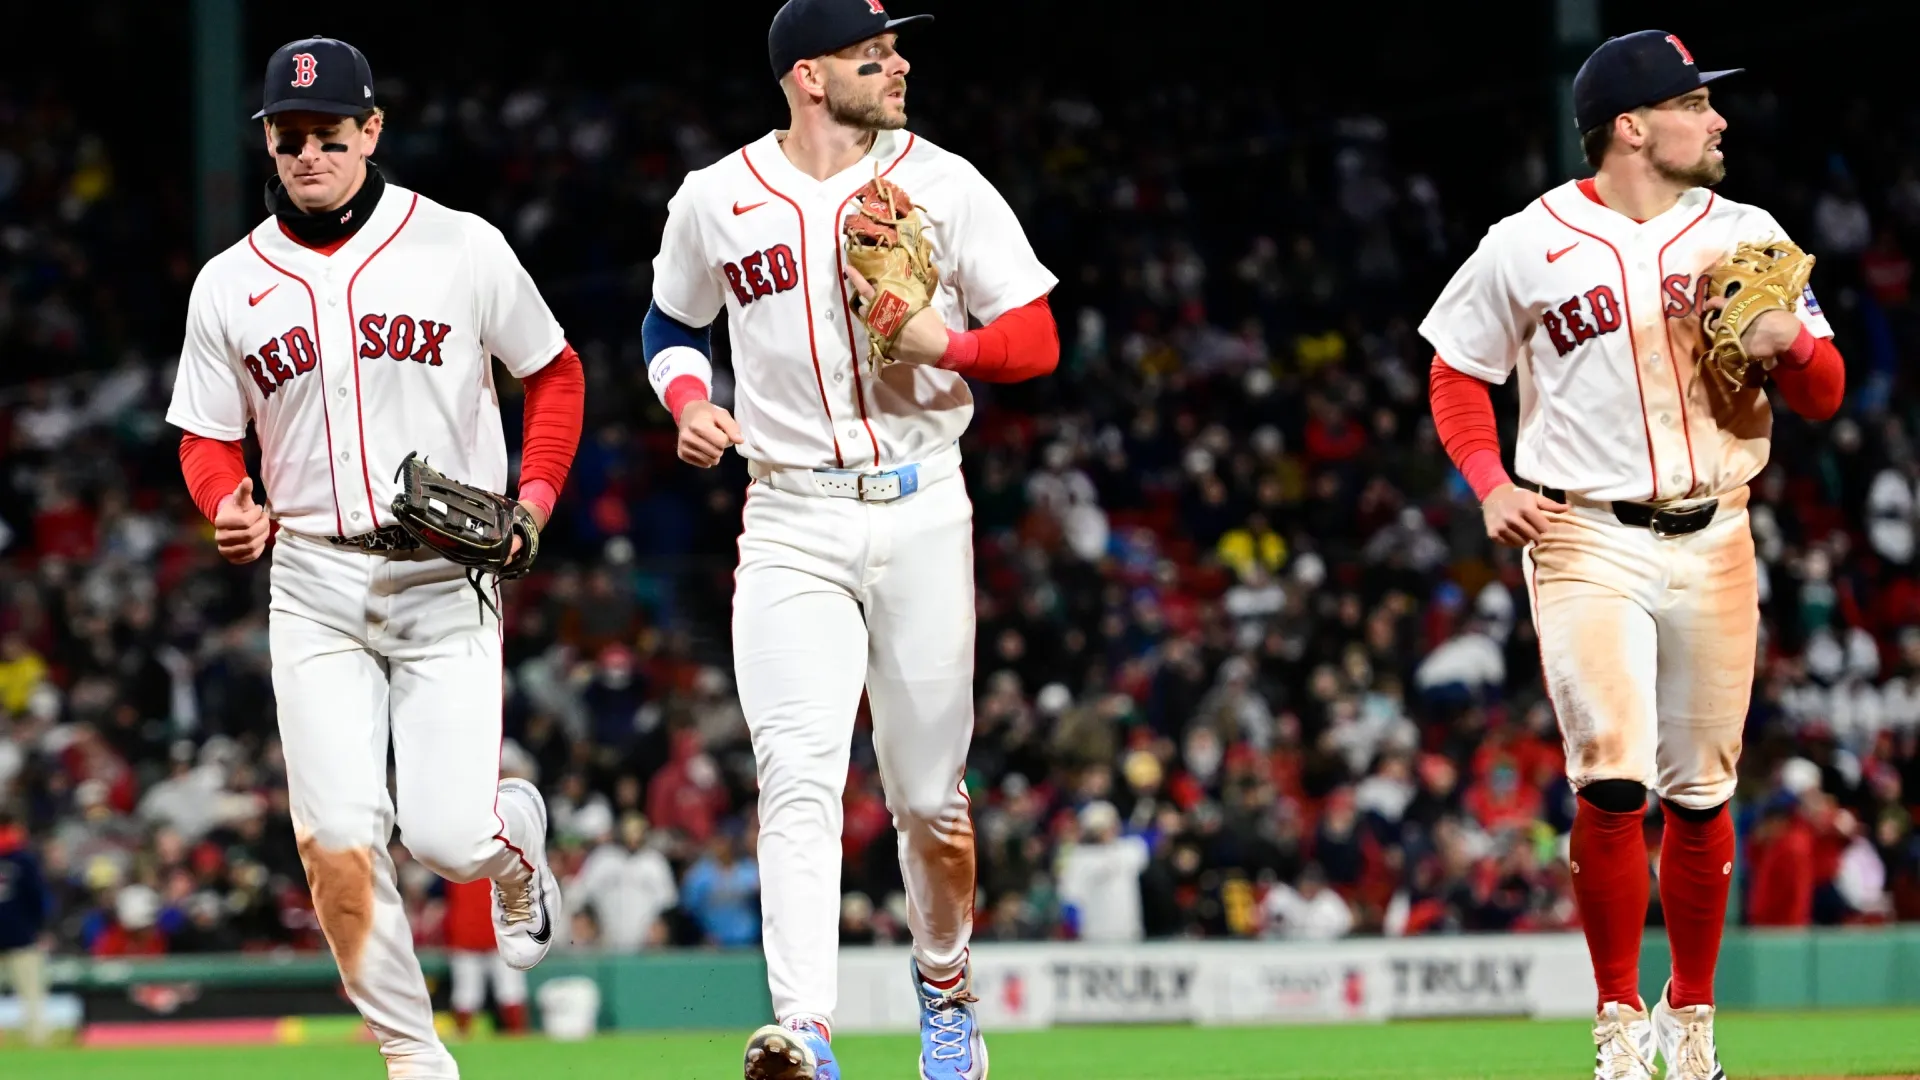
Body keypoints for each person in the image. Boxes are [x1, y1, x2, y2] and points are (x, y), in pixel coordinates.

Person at [642, 0, 1060, 1073]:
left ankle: (946, 990)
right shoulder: (716, 198)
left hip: (923, 504)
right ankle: (807, 1031)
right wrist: (689, 400)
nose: (900, 64)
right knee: (796, 771)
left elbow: (1039, 337)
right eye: (875, 54)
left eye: (895, 48)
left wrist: (950, 344)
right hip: (788, 513)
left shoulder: (946, 180)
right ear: (811, 76)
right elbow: (671, 322)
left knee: (928, 797)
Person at [1420, 29, 1845, 1080]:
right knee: (1611, 777)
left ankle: (1690, 1020)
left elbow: (1825, 393)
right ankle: (1617, 1022)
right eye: (1697, 103)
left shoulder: (1747, 232)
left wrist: (1792, 346)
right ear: (1632, 126)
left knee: (1701, 792)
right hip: (1580, 534)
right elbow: (1455, 370)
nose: (1717, 118)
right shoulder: (1527, 240)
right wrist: (1489, 485)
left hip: (1719, 530)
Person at [164, 36, 585, 1079]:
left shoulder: (460, 247)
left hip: (445, 572)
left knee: (446, 839)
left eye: (328, 134)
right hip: (311, 579)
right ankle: (415, 1057)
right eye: (289, 136)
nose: (309, 153)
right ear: (268, 141)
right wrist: (225, 502)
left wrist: (533, 499)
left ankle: (512, 843)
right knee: (338, 841)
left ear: (371, 133)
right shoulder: (229, 284)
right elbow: (206, 434)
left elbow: (556, 372)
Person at [568, 812, 679, 951]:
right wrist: (588, 921)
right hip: (604, 943)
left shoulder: (655, 862)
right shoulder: (602, 858)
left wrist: (660, 927)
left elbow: (668, 904)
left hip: (645, 947)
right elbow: (581, 896)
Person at [443, 878, 529, 1037]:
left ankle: (518, 1037)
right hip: (470, 937)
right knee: (467, 996)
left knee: (509, 992)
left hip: (496, 937)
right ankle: (464, 1039)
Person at [0, 807, 51, 1046]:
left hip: (18, 936)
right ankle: (37, 1043)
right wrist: (39, 926)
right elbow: (37, 898)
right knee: (32, 997)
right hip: (22, 937)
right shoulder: (23, 858)